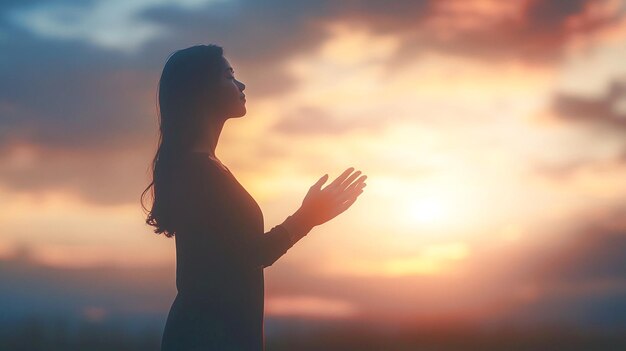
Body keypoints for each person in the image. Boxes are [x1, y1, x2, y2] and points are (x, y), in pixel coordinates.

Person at [140, 44, 367, 351]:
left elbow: (238, 258)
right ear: (202, 91)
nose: (240, 85)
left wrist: (309, 217)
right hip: (206, 339)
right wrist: (307, 217)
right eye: (229, 76)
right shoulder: (198, 172)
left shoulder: (205, 168)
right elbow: (247, 257)